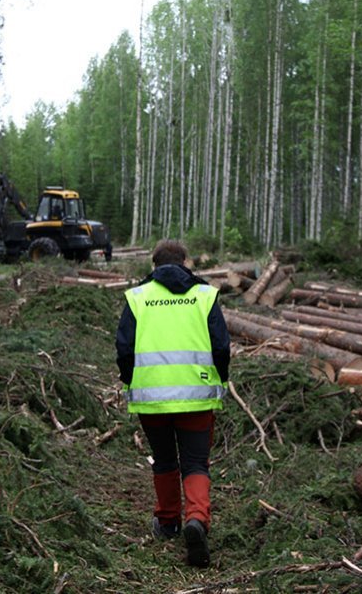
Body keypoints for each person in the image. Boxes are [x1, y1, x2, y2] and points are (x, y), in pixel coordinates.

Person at [115, 239, 230, 568]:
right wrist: (220, 377)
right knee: (196, 463)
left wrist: (130, 379)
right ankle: (197, 520)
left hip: (151, 399)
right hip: (197, 396)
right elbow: (221, 345)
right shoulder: (204, 295)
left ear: (154, 264)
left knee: (165, 460)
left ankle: (167, 522)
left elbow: (124, 348)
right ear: (185, 263)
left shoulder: (138, 297)